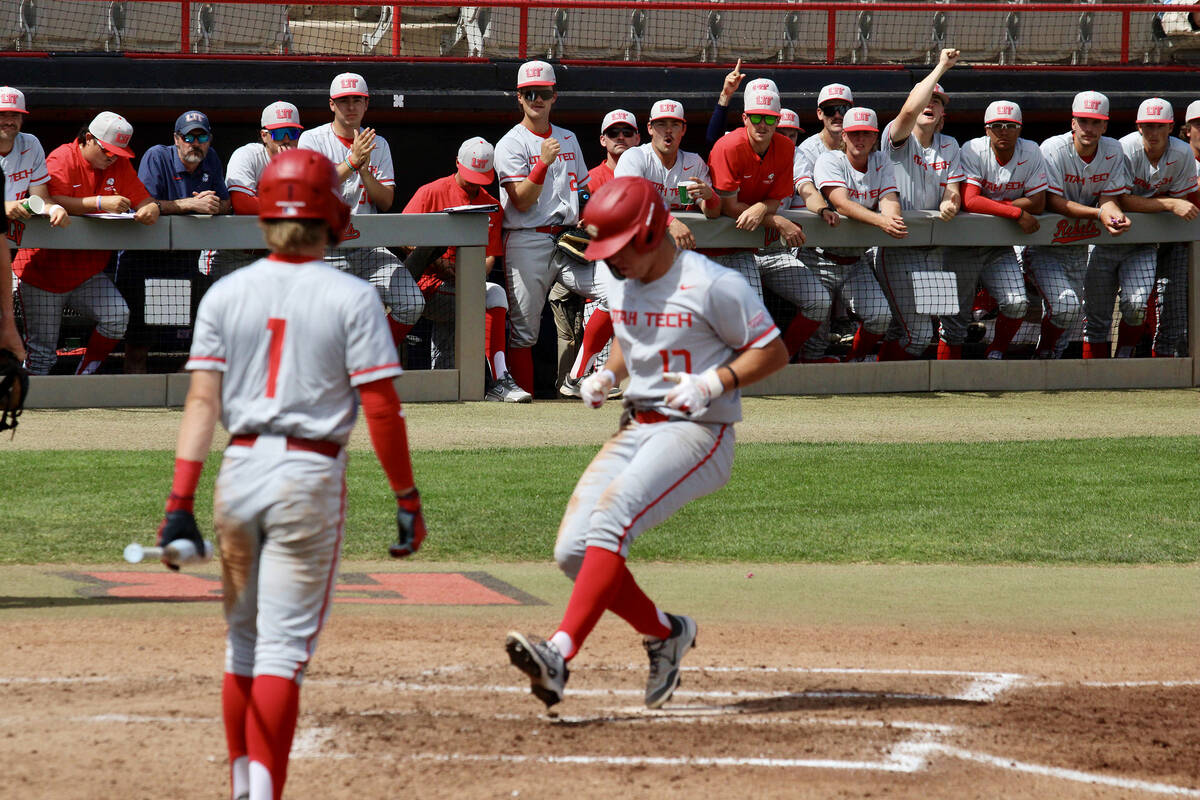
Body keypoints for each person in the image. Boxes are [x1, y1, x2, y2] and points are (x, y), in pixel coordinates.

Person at [155, 148, 426, 800]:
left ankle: (242, 785)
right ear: (330, 211)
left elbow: (201, 403)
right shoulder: (353, 295)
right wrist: (406, 496)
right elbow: (382, 409)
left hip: (239, 470)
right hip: (308, 476)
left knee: (242, 645)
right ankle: (266, 794)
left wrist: (178, 502)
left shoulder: (227, 291)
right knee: (281, 653)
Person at [504, 176, 788, 710]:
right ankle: (665, 634)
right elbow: (631, 339)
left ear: (652, 231)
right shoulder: (625, 279)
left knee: (611, 521)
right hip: (638, 425)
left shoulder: (712, 285)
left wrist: (715, 382)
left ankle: (559, 653)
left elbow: (772, 352)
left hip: (698, 431)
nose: (608, 262)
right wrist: (607, 376)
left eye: (616, 249)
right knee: (572, 552)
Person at [560, 98, 723, 395]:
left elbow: (712, 211)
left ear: (683, 129)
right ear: (649, 128)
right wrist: (670, 221)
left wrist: (710, 196)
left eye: (674, 124)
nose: (667, 130)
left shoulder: (694, 163)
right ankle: (580, 375)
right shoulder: (636, 157)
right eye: (661, 124)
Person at [13, 112, 159, 375]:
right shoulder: (63, 156)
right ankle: (32, 408)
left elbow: (144, 199)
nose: (112, 157)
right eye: (107, 151)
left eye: (118, 152)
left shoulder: (118, 163)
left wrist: (150, 210)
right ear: (88, 139)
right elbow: (52, 199)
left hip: (86, 275)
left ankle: (84, 377)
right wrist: (100, 202)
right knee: (42, 358)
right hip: (43, 274)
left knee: (117, 317)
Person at [494, 60, 608, 395]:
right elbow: (522, 202)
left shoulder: (568, 138)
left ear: (554, 95)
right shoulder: (511, 143)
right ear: (519, 97)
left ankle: (575, 377)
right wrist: (542, 162)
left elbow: (585, 188)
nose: (536, 99)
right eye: (529, 93)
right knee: (524, 331)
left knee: (616, 290)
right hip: (527, 238)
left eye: (543, 93)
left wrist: (590, 212)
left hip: (568, 238)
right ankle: (523, 405)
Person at [297, 72, 424, 355]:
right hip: (324, 250)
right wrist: (352, 162)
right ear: (332, 104)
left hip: (369, 251)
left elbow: (387, 200)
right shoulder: (312, 140)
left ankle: (370, 358)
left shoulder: (378, 145)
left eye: (357, 100)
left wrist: (365, 171)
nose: (351, 106)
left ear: (367, 104)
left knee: (412, 301)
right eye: (344, 101)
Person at [401, 136, 532, 402]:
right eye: (470, 176)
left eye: (480, 177)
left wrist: (468, 275)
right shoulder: (432, 191)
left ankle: (452, 389)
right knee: (491, 296)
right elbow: (404, 238)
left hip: (462, 285)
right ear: (458, 163)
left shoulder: (491, 204)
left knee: (450, 355)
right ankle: (498, 380)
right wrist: (442, 264)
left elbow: (489, 257)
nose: (474, 183)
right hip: (423, 286)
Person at [118, 110, 232, 373]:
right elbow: (145, 205)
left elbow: (226, 202)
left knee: (209, 334)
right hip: (144, 264)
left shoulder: (210, 158)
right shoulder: (157, 156)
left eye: (201, 136)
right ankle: (136, 405)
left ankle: (181, 394)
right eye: (189, 137)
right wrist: (189, 204)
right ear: (177, 139)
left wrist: (215, 205)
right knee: (138, 347)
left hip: (182, 265)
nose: (195, 143)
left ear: (210, 139)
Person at [877, 49, 963, 361]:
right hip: (899, 248)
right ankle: (879, 377)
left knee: (933, 326)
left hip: (933, 249)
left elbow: (953, 189)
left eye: (937, 102)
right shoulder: (896, 137)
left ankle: (892, 378)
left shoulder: (950, 144)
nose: (930, 105)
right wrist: (940, 67)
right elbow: (909, 111)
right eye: (928, 100)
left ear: (943, 114)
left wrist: (951, 202)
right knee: (917, 333)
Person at [1037, 91, 1134, 359]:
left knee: (1069, 314)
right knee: (1057, 305)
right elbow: (1053, 202)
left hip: (1078, 244)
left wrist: (1112, 213)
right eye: (1083, 121)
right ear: (1073, 123)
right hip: (1042, 244)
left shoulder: (1113, 149)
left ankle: (1049, 360)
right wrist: (1098, 214)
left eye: (1095, 122)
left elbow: (1109, 197)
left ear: (1105, 125)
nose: (1088, 128)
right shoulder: (1052, 148)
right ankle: (1037, 357)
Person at [944, 100, 1042, 360]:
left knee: (1017, 303)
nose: (1003, 131)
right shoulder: (973, 149)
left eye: (1010, 125)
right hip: (961, 246)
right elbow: (970, 200)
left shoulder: (1031, 151)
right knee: (953, 317)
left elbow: (1040, 202)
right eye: (996, 126)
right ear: (986, 129)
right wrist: (1016, 211)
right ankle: (945, 376)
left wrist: (994, 205)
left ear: (1019, 128)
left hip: (999, 247)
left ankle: (996, 351)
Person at [810, 107, 903, 362]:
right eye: (853, 134)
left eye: (866, 133)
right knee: (815, 332)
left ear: (875, 137)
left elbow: (889, 198)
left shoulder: (881, 160)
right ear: (844, 137)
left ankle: (854, 360)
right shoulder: (830, 160)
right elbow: (840, 203)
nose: (859, 139)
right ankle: (801, 366)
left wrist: (892, 217)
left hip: (855, 261)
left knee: (880, 315)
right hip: (820, 258)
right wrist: (882, 221)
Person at [707, 85, 806, 302]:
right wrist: (777, 221)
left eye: (769, 119)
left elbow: (775, 198)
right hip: (706, 245)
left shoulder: (786, 148)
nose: (762, 124)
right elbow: (728, 207)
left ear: (778, 121)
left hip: (742, 247)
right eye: (756, 118)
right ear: (744, 118)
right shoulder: (728, 146)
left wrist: (761, 208)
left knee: (752, 312)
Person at [1117, 99, 1199, 359]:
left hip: (1176, 241)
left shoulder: (1179, 155)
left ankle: (1163, 367)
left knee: (1173, 315)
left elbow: (1186, 203)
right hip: (1128, 237)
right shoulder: (1125, 148)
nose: (1153, 132)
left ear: (1170, 128)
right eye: (1148, 126)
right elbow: (1118, 199)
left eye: (1159, 126)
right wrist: (1169, 203)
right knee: (1126, 305)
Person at [206, 101, 305, 279]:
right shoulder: (247, 155)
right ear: (264, 135)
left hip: (271, 254)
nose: (287, 139)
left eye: (293, 132)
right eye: (279, 133)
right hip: (231, 252)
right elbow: (243, 205)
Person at [1, 85, 69, 251]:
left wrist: (55, 209)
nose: (9, 121)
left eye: (15, 115)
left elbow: (41, 198)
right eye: (2, 115)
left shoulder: (30, 144)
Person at [588, 109, 639, 192]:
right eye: (613, 133)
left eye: (627, 132)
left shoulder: (649, 174)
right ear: (603, 140)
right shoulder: (591, 179)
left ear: (637, 138)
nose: (621, 137)